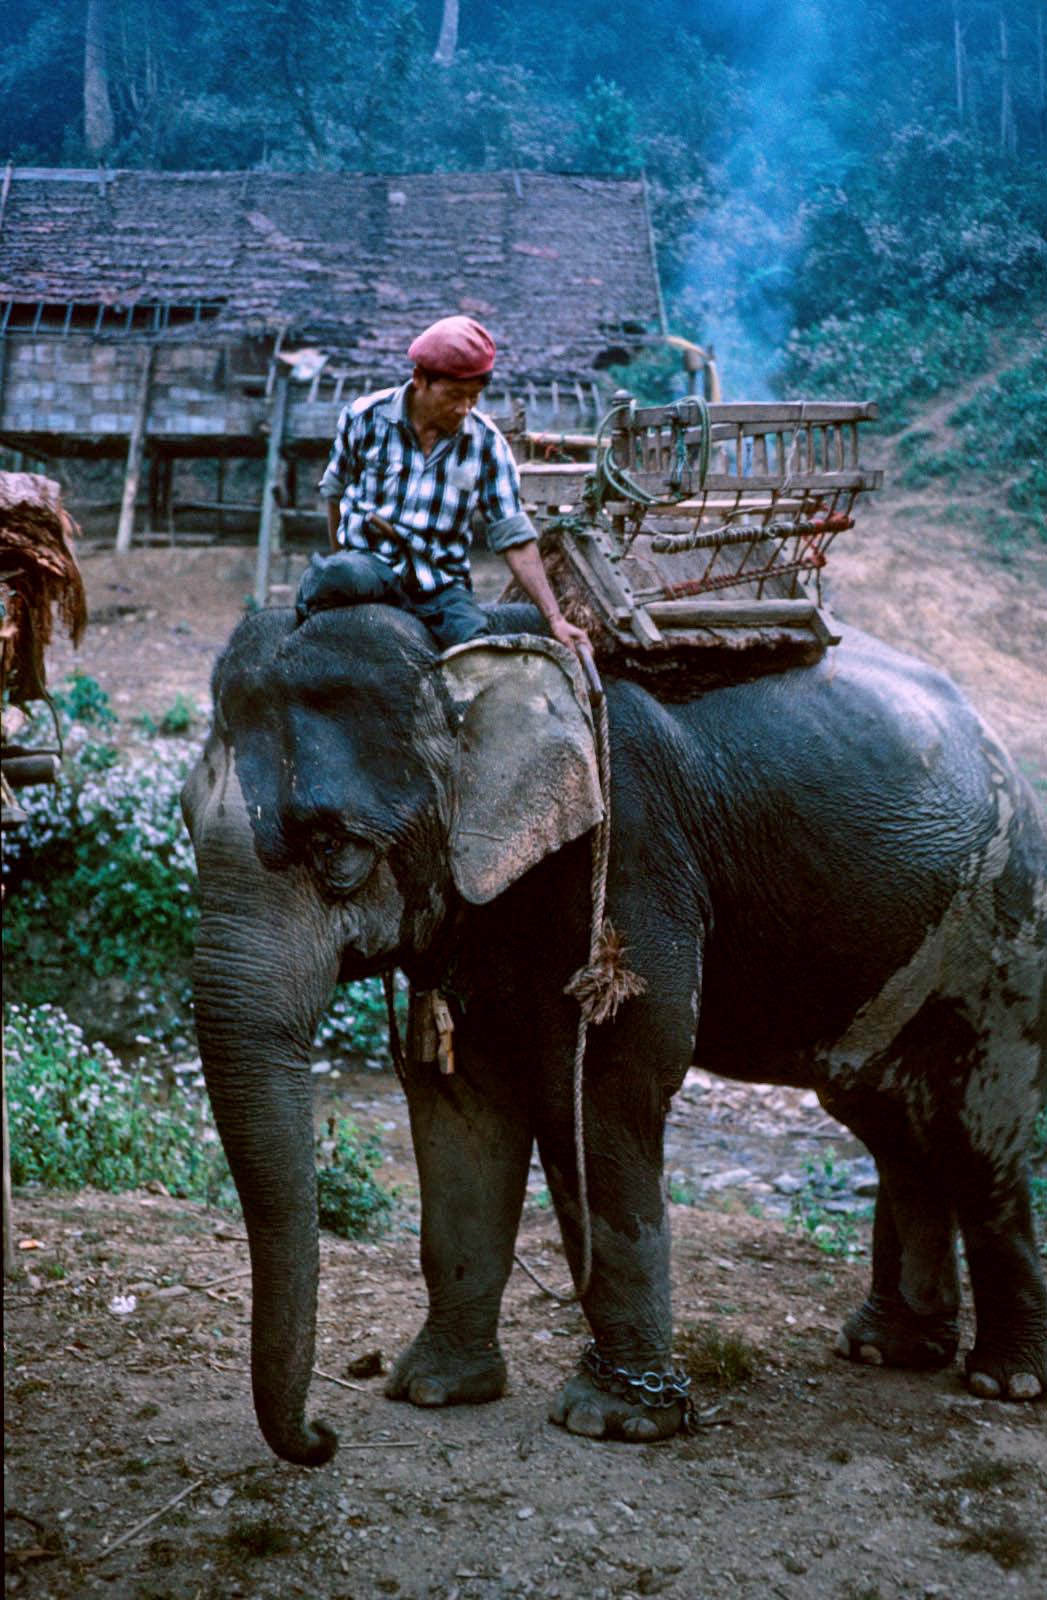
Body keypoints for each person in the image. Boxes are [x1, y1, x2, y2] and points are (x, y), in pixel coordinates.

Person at [300, 315, 588, 653]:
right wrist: (343, 558)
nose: (463, 408)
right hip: (371, 564)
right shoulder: (365, 418)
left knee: (479, 654)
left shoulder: (487, 445)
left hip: (440, 583)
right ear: (420, 379)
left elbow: (515, 538)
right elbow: (335, 494)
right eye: (454, 395)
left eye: (474, 398)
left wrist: (555, 620)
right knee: (334, 576)